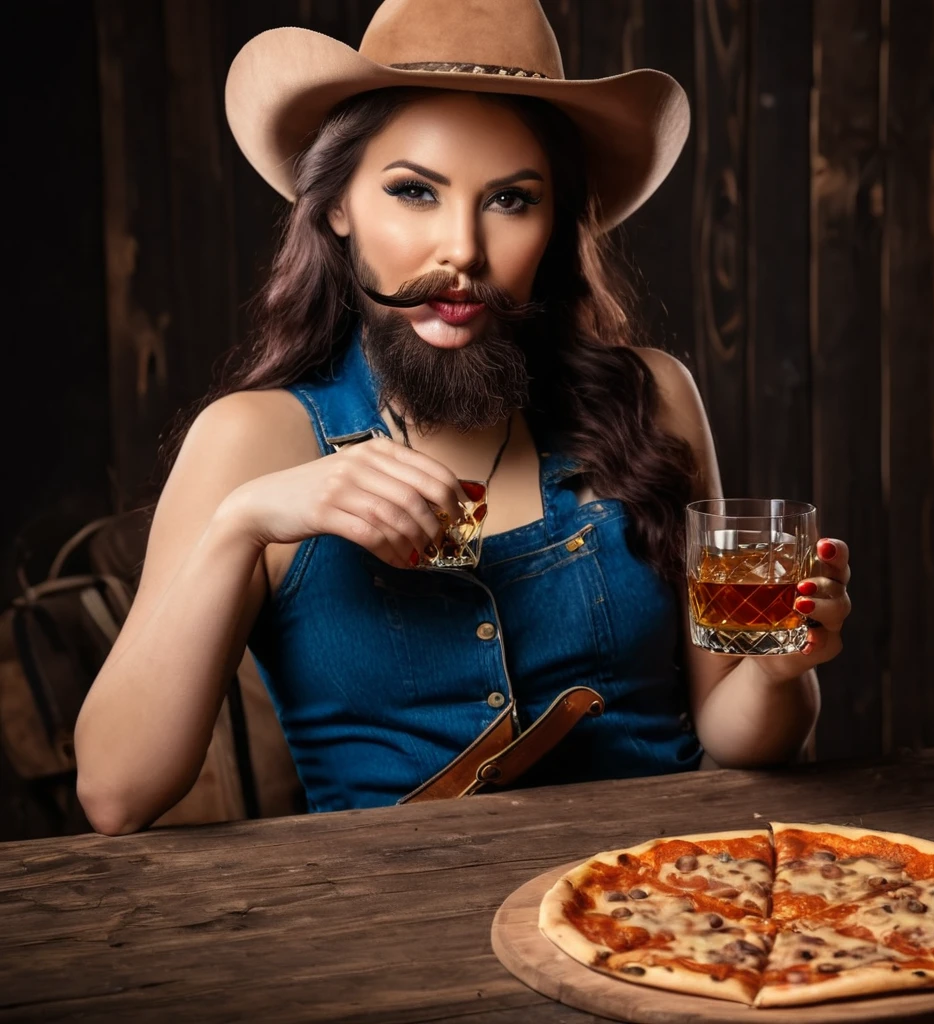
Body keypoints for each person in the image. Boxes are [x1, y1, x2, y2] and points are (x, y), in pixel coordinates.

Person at [74, 0, 852, 835]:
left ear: (554, 227)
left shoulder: (652, 396)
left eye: (511, 201)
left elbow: (733, 738)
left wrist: (780, 669)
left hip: (662, 901)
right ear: (337, 207)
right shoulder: (252, 439)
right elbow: (118, 794)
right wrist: (244, 522)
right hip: (384, 930)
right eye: (413, 192)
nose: (463, 252)